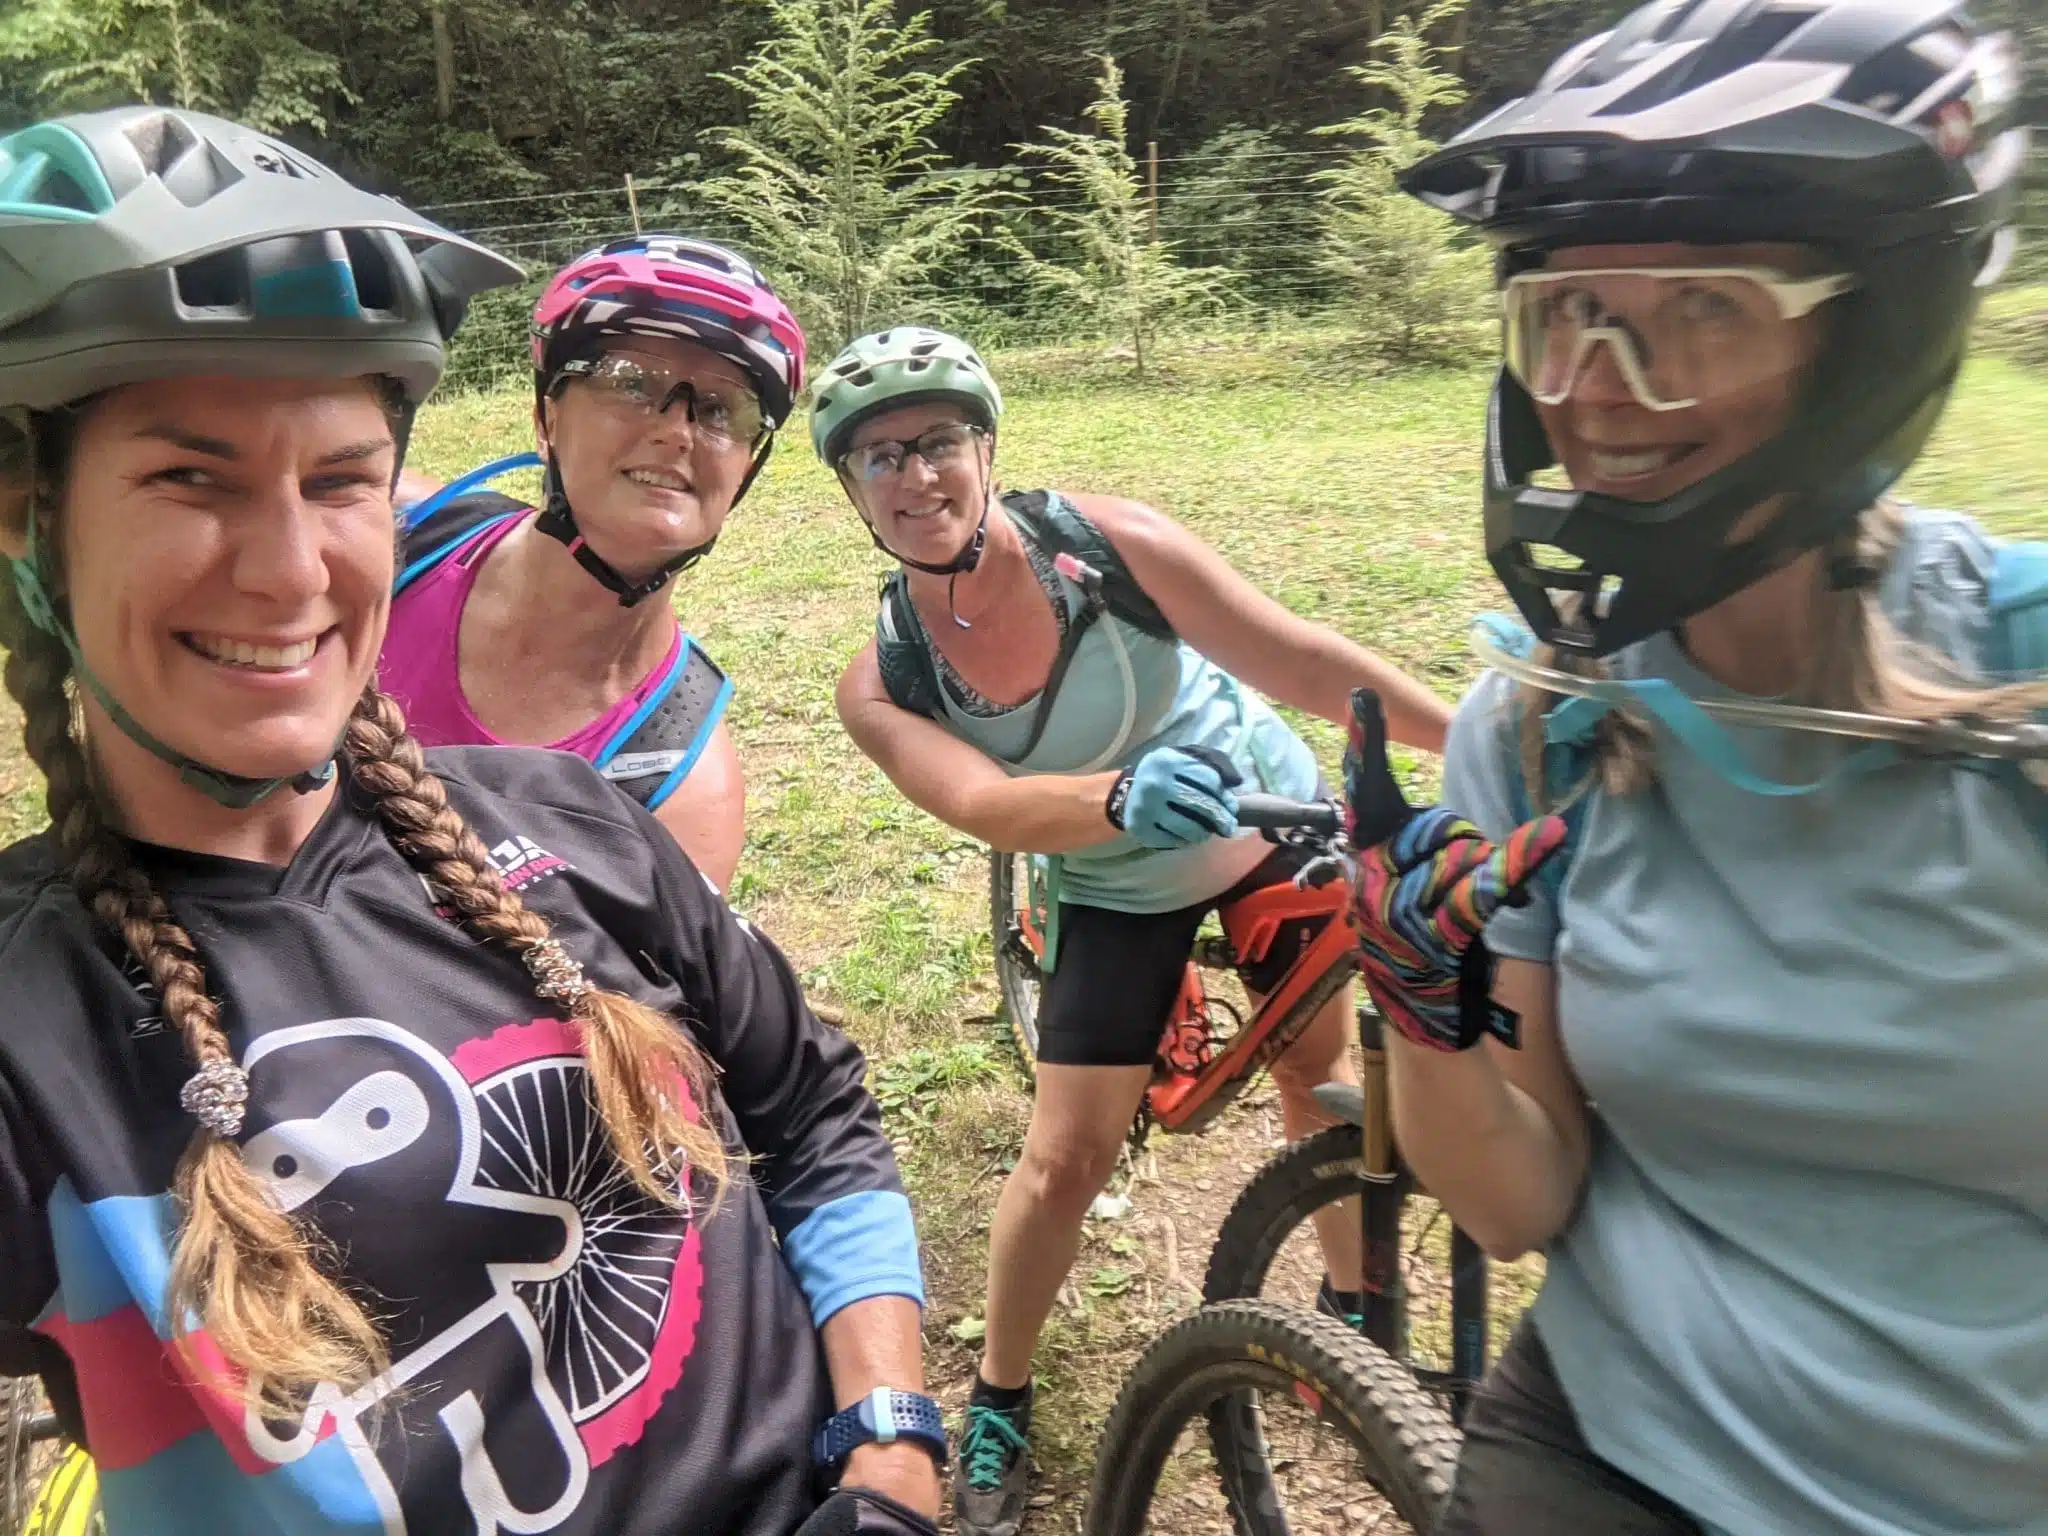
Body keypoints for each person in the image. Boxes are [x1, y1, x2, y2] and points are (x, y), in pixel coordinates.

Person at [0, 107, 940, 1536]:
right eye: (192, 478)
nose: (291, 570)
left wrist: (889, 1447)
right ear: (26, 513)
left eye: (341, 480)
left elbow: (804, 1108)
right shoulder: (30, 1021)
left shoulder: (587, 809)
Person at [1338, 1, 2047, 1532]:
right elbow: (1520, 1203)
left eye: (1704, 309)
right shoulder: (1540, 728)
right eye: (1564, 313)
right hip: (1620, 1442)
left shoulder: (2024, 684)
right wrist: (1419, 1006)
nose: (1594, 387)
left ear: (1867, 339)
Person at [811, 327, 1453, 1534]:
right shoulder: (883, 677)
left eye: (937, 441)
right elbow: (980, 803)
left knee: (1313, 1080)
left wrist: (1469, 744)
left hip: (1267, 824)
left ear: (985, 447)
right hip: (1111, 878)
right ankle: (999, 1393)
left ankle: (1354, 1316)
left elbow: (1295, 656)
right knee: (1067, 1159)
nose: (915, 476)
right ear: (850, 490)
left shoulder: (1107, 549)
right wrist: (1114, 801)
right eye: (877, 457)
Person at [380, 235, 807, 892]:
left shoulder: (679, 787)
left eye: (722, 409)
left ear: (746, 469)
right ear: (546, 417)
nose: (677, 430)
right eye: (631, 383)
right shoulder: (401, 534)